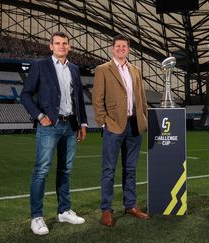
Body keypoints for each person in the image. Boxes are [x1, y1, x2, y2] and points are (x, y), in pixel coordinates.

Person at [20, 32, 88, 235]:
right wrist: (40, 116)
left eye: (64, 43)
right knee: (42, 169)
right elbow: (25, 95)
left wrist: (82, 123)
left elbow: (79, 99)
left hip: (70, 125)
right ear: (51, 46)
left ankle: (64, 210)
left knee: (65, 170)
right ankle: (36, 216)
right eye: (57, 43)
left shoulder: (74, 69)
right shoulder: (40, 65)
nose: (61, 46)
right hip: (49, 125)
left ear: (69, 47)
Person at [92, 34, 149, 227]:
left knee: (131, 169)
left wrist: (144, 119)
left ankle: (130, 205)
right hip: (113, 126)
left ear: (128, 49)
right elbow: (97, 99)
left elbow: (141, 97)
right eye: (118, 46)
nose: (121, 49)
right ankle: (106, 210)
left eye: (124, 46)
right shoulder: (103, 70)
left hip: (134, 125)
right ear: (112, 48)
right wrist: (103, 122)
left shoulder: (135, 70)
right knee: (109, 170)